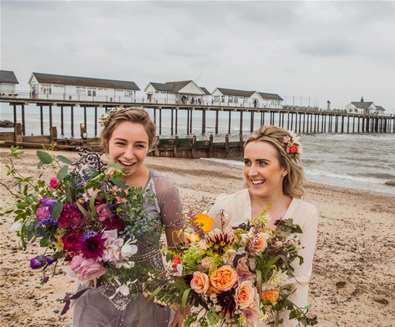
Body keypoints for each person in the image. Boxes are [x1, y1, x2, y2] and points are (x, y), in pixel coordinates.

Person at [73, 107, 184, 327]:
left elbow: (179, 252)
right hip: (96, 295)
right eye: (121, 143)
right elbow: (70, 236)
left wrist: (182, 304)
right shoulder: (88, 184)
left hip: (149, 299)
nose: (129, 154)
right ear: (106, 142)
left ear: (150, 147)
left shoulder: (163, 189)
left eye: (139, 146)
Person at [208, 125, 319, 326]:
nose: (252, 172)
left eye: (262, 163)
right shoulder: (226, 206)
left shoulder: (305, 214)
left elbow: (299, 282)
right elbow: (201, 257)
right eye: (247, 162)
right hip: (229, 317)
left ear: (284, 167)